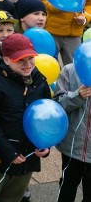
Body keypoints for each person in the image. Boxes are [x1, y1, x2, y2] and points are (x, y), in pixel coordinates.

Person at [0, 34, 51, 202]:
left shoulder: (39, 81)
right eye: (21, 60)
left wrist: (46, 145)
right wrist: (8, 152)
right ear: (7, 60)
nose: (27, 64)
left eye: (30, 58)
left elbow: (47, 115)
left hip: (28, 157)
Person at [54, 61, 91, 202]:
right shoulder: (70, 70)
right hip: (73, 145)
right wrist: (78, 95)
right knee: (67, 186)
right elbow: (57, 104)